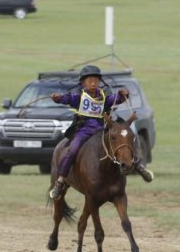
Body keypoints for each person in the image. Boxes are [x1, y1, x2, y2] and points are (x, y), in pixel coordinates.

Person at [48, 65, 152, 201]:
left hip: (102, 130)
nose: (93, 84)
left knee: (122, 141)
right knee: (72, 149)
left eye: (96, 81)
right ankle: (60, 180)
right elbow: (66, 99)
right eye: (90, 81)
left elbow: (115, 99)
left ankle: (137, 165)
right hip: (84, 130)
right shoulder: (79, 97)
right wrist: (57, 98)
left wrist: (122, 95)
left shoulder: (103, 96)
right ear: (83, 83)